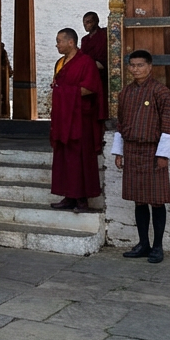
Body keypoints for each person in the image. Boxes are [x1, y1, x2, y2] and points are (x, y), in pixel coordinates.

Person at [111, 50, 170, 264]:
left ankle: (157, 246)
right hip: (132, 150)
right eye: (132, 65)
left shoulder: (161, 92)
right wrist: (119, 151)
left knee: (157, 201)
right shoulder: (125, 93)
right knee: (139, 200)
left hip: (153, 151)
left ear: (150, 67)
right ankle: (143, 244)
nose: (136, 69)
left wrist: (163, 155)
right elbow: (120, 124)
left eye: (140, 65)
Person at [49, 28, 106, 213]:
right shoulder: (61, 63)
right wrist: (59, 90)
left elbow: (90, 88)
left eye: (59, 41)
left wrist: (62, 92)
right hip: (63, 117)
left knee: (80, 158)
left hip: (80, 119)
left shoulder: (85, 62)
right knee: (64, 157)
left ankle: (82, 200)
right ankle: (68, 196)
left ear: (71, 42)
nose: (57, 45)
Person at [79, 11, 108, 81]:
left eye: (88, 22)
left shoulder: (104, 35)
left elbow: (102, 57)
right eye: (84, 23)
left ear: (96, 22)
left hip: (102, 68)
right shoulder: (85, 39)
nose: (85, 25)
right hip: (87, 67)